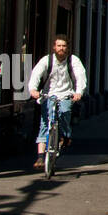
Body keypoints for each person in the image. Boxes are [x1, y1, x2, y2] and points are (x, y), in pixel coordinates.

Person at [27, 35, 87, 169]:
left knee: (65, 112)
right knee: (44, 122)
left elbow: (80, 76)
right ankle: (41, 157)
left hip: (66, 94)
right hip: (48, 95)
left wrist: (79, 92)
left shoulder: (73, 60)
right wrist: (33, 90)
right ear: (54, 47)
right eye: (59, 46)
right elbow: (36, 74)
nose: (61, 48)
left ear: (67, 48)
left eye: (64, 46)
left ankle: (65, 135)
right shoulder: (47, 60)